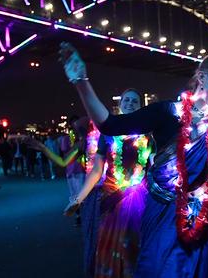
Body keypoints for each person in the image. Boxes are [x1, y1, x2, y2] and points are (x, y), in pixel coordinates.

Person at [60, 42, 208, 277]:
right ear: (202, 77)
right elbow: (111, 124)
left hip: (204, 218)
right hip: (164, 213)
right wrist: (82, 82)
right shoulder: (167, 112)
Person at [65, 88, 154, 278]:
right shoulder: (108, 133)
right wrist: (78, 199)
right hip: (113, 200)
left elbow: (154, 164)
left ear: (141, 106)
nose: (130, 103)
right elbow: (97, 170)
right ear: (120, 104)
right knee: (113, 249)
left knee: (135, 248)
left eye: (135, 101)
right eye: (126, 100)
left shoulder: (148, 135)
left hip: (140, 201)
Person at [26, 116, 102, 276]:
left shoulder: (110, 137)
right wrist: (43, 148)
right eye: (77, 129)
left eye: (82, 128)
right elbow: (62, 161)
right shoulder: (83, 143)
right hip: (92, 193)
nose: (80, 131)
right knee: (94, 234)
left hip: (110, 191)